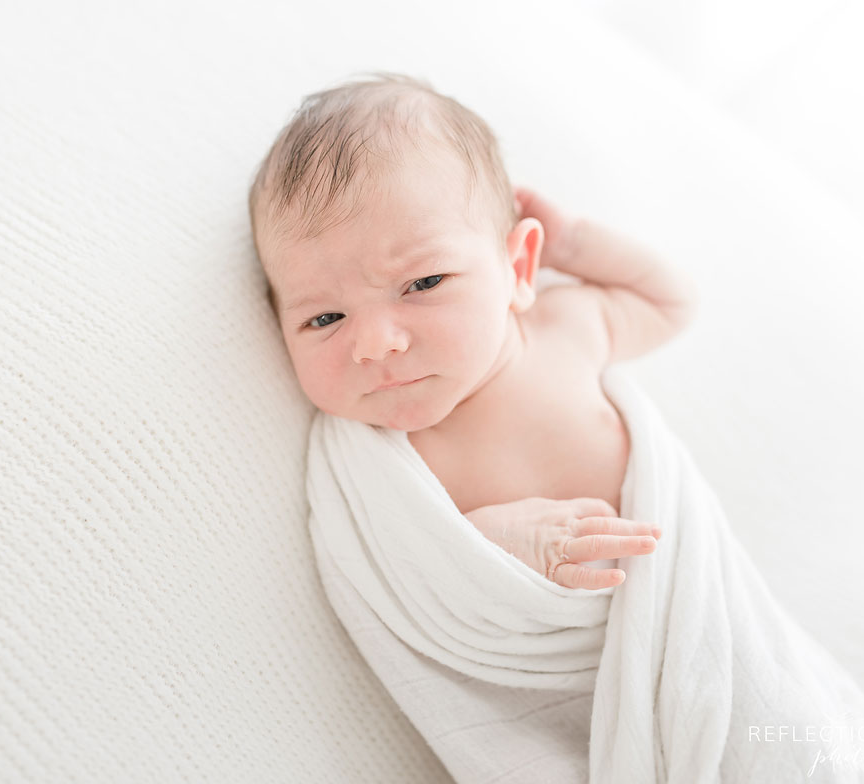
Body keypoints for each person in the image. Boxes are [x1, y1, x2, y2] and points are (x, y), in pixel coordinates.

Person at [248, 71, 700, 590]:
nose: (376, 344)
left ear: (519, 270)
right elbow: (398, 580)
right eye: (324, 319)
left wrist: (570, 243)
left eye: (423, 282)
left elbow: (672, 302)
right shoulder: (371, 459)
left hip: (671, 595)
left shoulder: (563, 327)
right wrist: (489, 543)